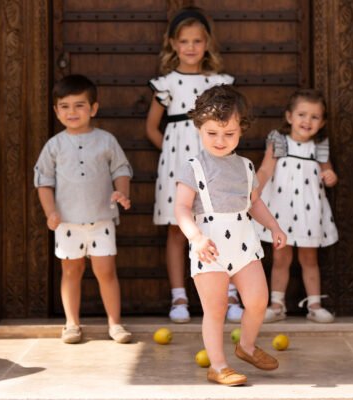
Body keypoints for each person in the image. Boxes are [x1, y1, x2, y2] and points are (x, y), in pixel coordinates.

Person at [175, 85, 287, 385]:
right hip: (209, 248)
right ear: (199, 127)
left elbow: (254, 203)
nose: (220, 140)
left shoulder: (246, 166)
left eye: (229, 134)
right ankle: (218, 365)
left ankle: (247, 346)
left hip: (243, 245)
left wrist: (274, 226)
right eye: (212, 133)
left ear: (242, 129)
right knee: (216, 308)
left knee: (258, 300)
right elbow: (182, 208)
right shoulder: (193, 168)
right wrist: (196, 238)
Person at [146, 7, 243, 324]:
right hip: (177, 167)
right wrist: (173, 154)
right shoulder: (167, 84)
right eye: (184, 41)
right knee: (177, 229)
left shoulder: (219, 82)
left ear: (207, 44)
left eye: (197, 41)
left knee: (222, 224)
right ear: (173, 44)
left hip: (215, 165)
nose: (190, 47)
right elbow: (151, 128)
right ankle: (179, 297)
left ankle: (230, 295)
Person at [34, 74, 133, 344]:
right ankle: (71, 324)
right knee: (71, 271)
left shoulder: (106, 141)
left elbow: (121, 170)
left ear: (93, 108)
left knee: (106, 271)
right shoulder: (54, 146)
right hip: (67, 222)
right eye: (65, 106)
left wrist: (122, 193)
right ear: (56, 111)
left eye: (79, 105)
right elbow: (43, 182)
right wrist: (50, 213)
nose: (72, 112)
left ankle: (115, 323)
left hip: (102, 219)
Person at [255, 89, 339, 324]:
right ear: (289, 117)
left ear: (322, 122)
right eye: (302, 115)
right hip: (281, 209)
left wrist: (331, 176)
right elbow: (266, 169)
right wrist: (255, 190)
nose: (307, 121)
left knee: (309, 259)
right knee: (281, 258)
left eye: (314, 117)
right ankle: (276, 305)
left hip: (308, 211)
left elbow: (328, 171)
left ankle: (314, 305)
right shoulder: (279, 141)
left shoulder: (319, 145)